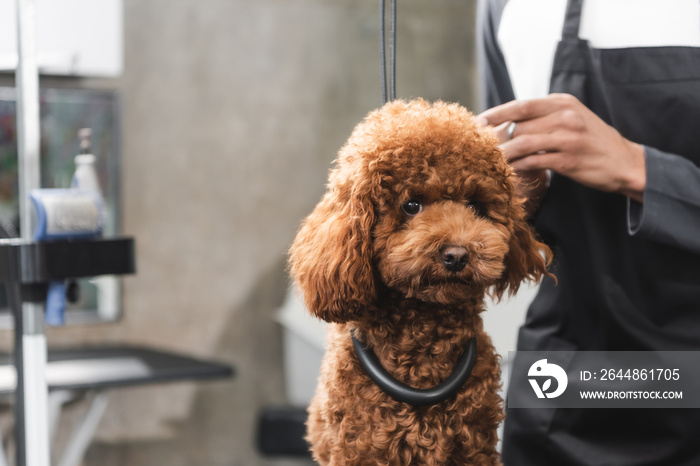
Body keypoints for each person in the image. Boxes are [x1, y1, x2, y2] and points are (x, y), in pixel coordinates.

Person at [476, 0, 700, 464]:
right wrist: (516, 194)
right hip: (573, 381)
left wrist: (640, 169)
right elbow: (504, 218)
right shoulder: (506, 7)